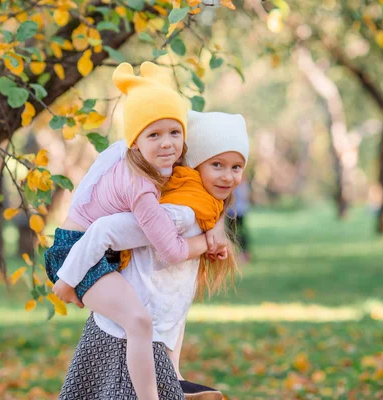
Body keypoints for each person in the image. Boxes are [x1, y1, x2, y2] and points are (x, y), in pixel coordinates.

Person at [45, 63, 223, 400]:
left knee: (161, 306)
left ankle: (173, 377)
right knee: (138, 321)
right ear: (136, 142)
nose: (167, 143)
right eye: (153, 135)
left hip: (97, 249)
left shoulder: (145, 160)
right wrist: (205, 241)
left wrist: (215, 223)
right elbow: (169, 250)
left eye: (174, 131)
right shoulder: (139, 185)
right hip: (77, 253)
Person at [226, 179, 251, 263]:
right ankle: (234, 254)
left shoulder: (242, 184)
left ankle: (244, 254)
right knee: (231, 233)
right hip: (231, 213)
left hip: (239, 212)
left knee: (239, 232)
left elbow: (244, 198)